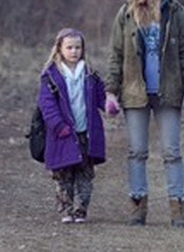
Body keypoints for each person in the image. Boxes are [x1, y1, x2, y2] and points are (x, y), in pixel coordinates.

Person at [105, 0, 184, 227]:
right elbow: (116, 54)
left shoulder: (177, 12)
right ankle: (137, 207)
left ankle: (178, 209)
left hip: (169, 91)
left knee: (172, 151)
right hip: (135, 92)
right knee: (137, 151)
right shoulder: (126, 13)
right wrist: (111, 90)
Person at [38, 28, 108, 223]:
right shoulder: (51, 75)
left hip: (86, 132)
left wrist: (110, 104)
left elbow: (101, 97)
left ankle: (81, 209)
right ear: (59, 49)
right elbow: (47, 104)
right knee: (64, 173)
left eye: (78, 47)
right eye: (69, 47)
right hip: (62, 134)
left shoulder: (90, 74)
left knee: (85, 173)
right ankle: (67, 209)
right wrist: (58, 125)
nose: (74, 51)